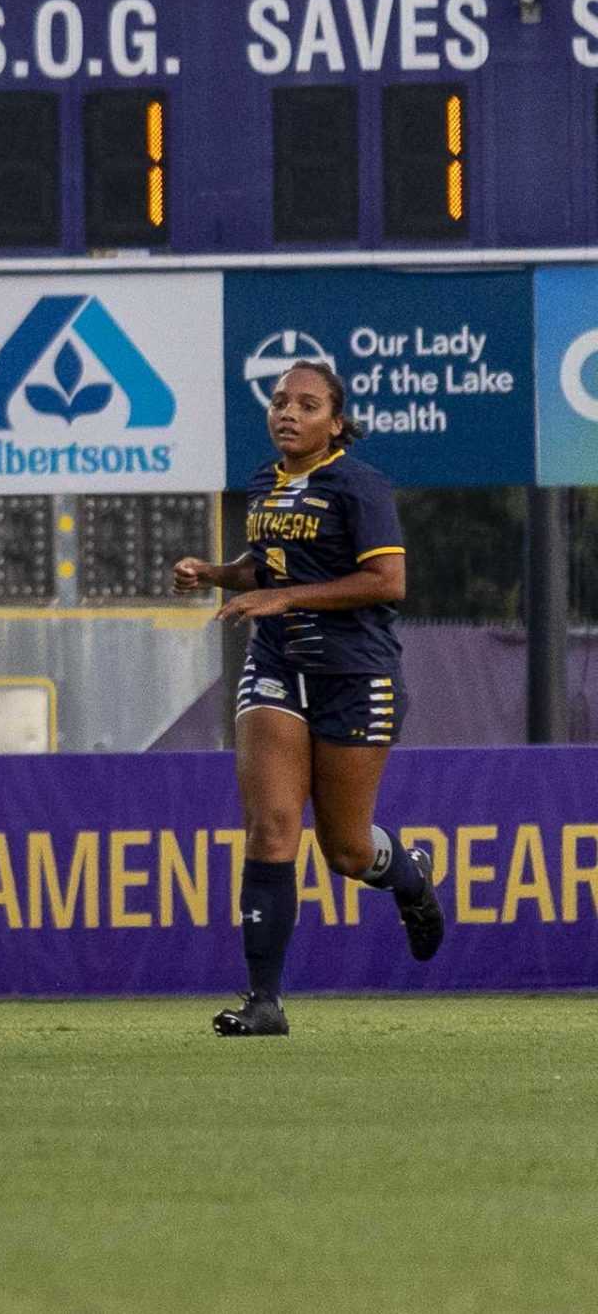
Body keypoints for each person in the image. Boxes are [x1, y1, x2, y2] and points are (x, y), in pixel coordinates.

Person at [172, 359, 442, 1036]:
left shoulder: (359, 483)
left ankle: (408, 877)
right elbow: (265, 569)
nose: (288, 413)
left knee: (346, 851)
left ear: (336, 421)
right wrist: (213, 573)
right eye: (280, 400)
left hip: (354, 675)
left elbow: (388, 581)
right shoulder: (267, 483)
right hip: (277, 664)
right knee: (270, 826)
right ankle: (265, 1001)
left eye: (307, 404)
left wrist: (284, 594)